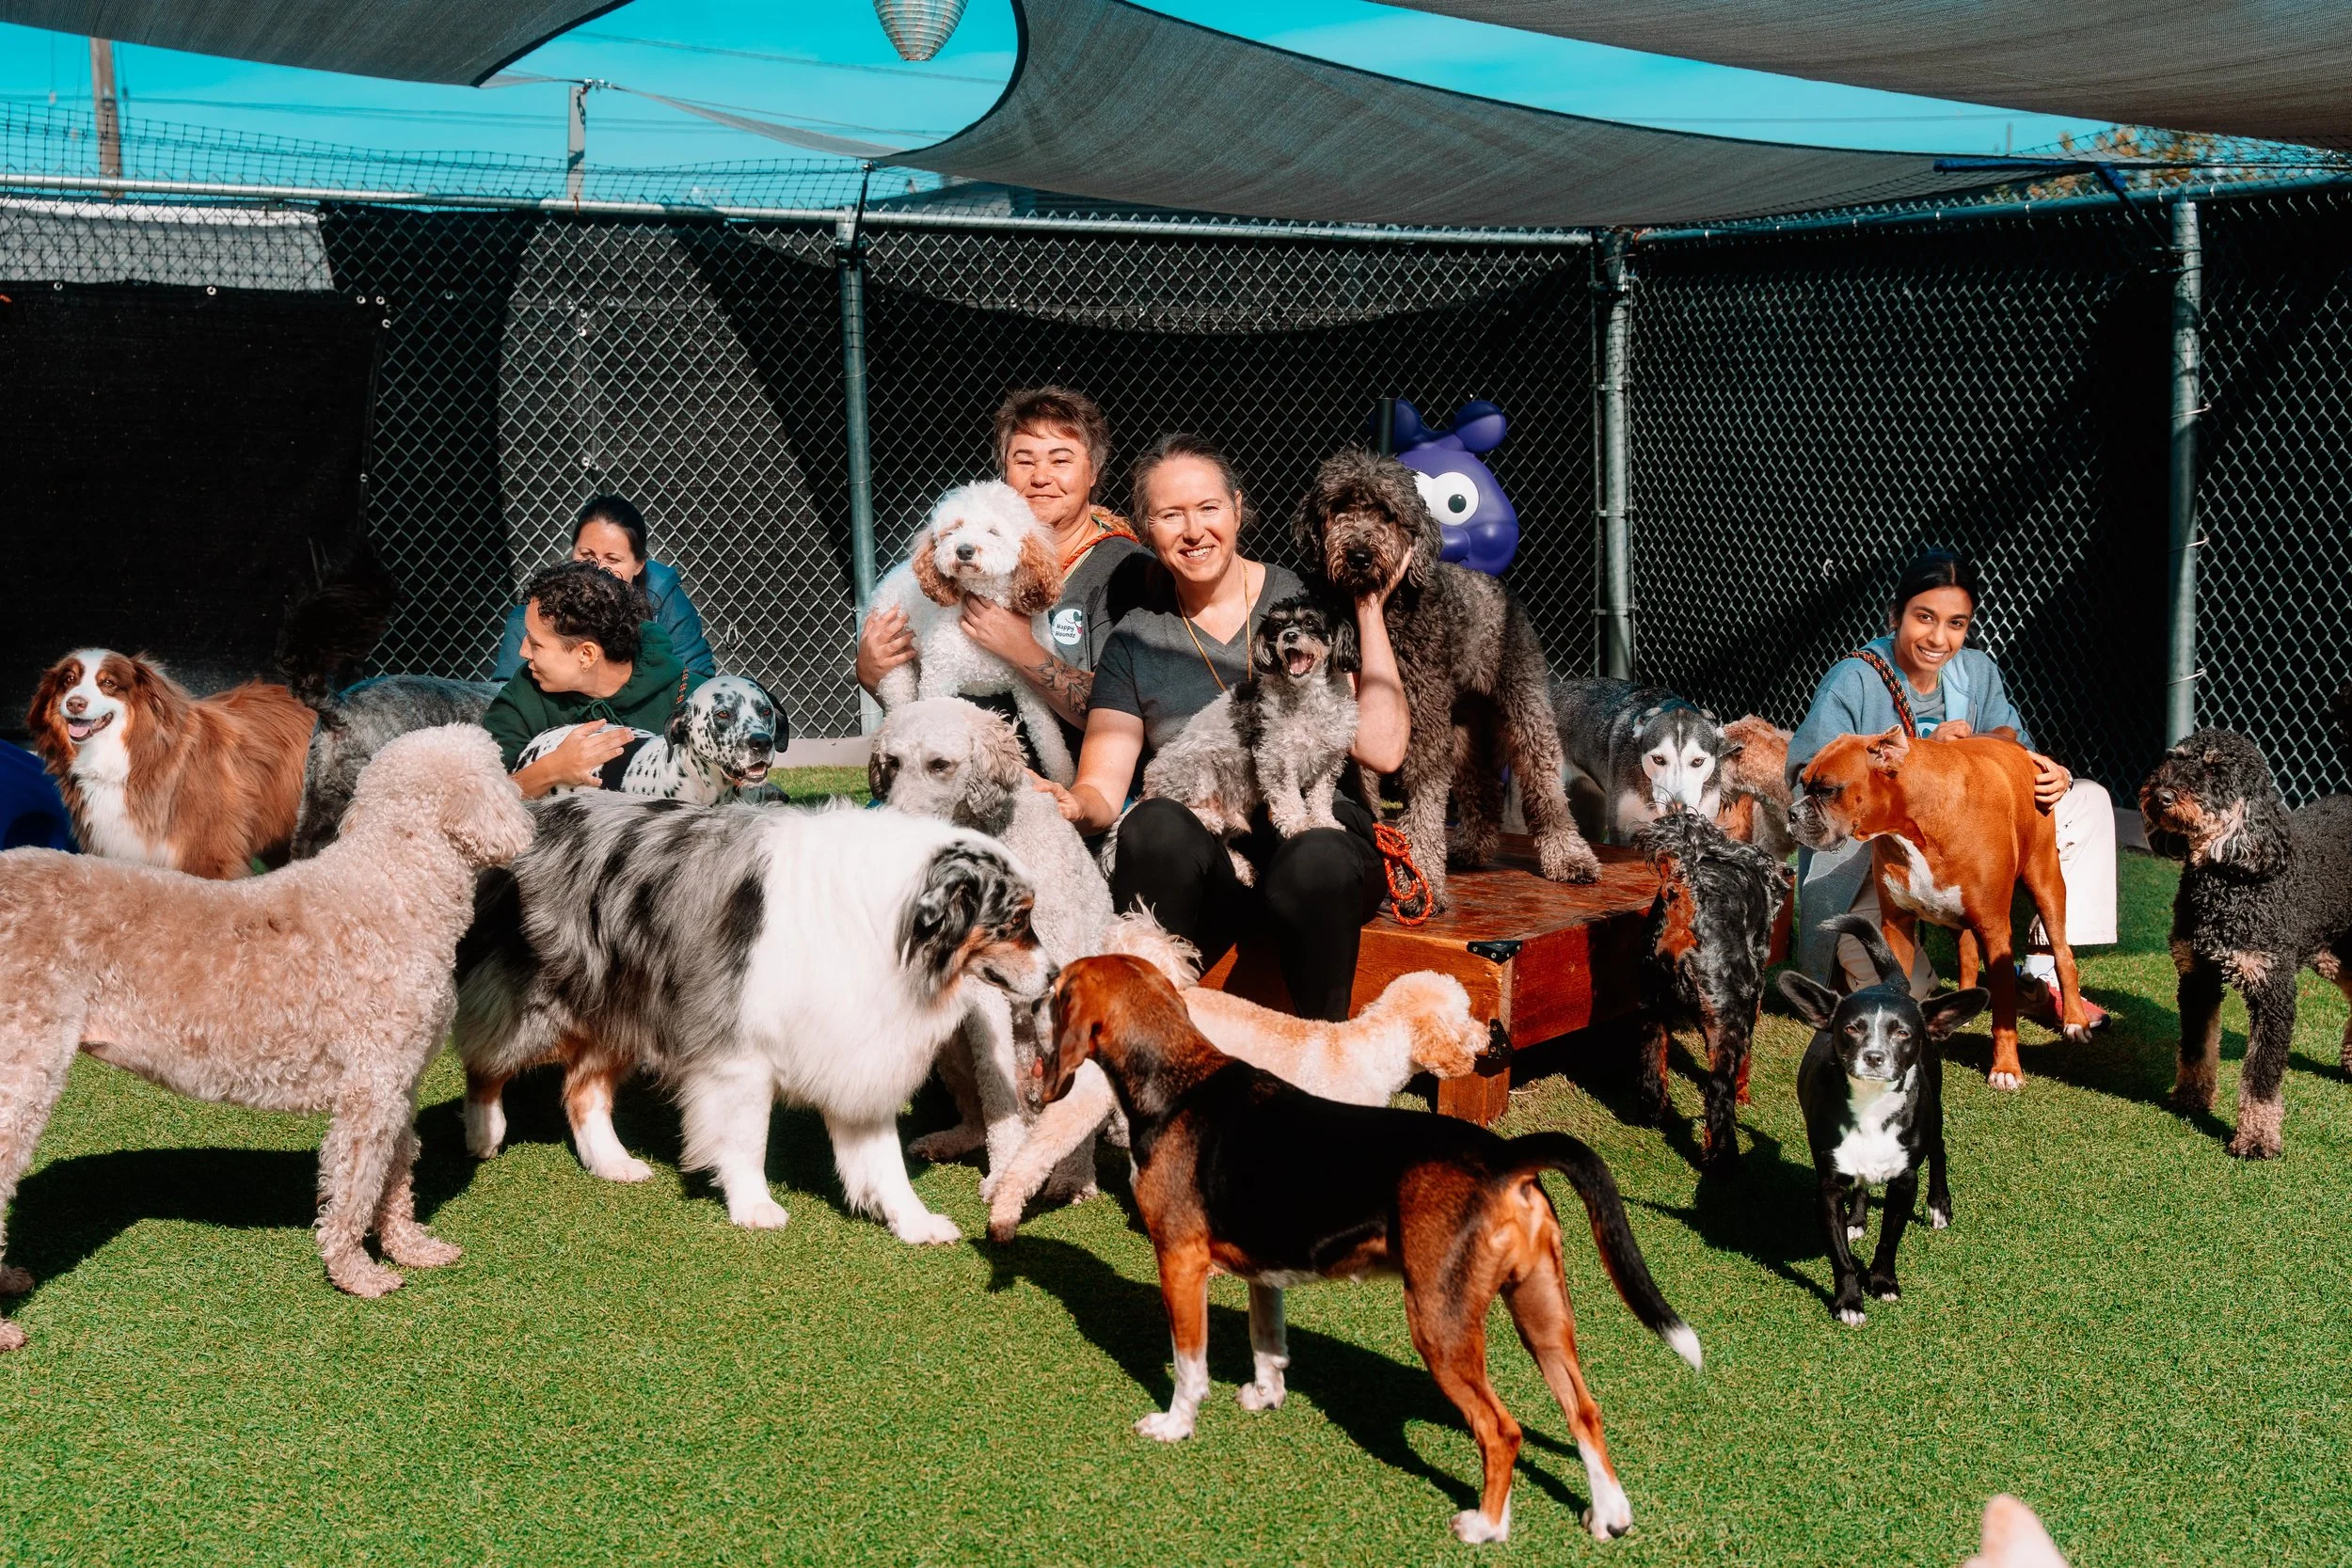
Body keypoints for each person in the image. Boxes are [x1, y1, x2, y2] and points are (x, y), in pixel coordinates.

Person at [1035, 434, 1411, 1022]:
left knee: (1315, 856)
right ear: (1145, 529)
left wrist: (1366, 608)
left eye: (1208, 508)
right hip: (1215, 853)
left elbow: (1384, 751)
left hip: (1320, 841)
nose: (1193, 530)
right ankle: (1144, 1051)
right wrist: (1070, 805)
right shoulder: (1136, 637)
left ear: (1237, 508)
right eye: (1169, 515)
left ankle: (1326, 1072)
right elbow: (1104, 787)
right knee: (1154, 823)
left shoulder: (1303, 602)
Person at [1787, 548, 2114, 1024]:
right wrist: (1922, 754)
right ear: (1896, 614)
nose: (1939, 638)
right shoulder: (1853, 678)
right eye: (1924, 618)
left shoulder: (1978, 672)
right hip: (1873, 853)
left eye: (1956, 623)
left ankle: (2037, 976)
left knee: (2087, 799)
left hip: (1964, 847)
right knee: (1910, 1004)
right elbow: (1804, 775)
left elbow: (2015, 748)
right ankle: (1852, 965)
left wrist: (2051, 773)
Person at [854, 386, 1149, 754]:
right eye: (1024, 461)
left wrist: (1023, 649)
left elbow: (1129, 711)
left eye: (1061, 461)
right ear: (1004, 471)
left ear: (1093, 471)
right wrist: (873, 674)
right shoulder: (965, 562)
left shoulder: (1126, 570)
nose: (1041, 477)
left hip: (1083, 784)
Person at [483, 560, 687, 800]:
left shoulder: (690, 698)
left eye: (535, 643)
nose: (523, 651)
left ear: (586, 654)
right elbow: (481, 801)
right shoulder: (523, 696)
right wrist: (552, 769)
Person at [494, 495, 716, 684]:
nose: (596, 568)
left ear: (639, 564)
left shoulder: (662, 597)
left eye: (613, 559)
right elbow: (506, 689)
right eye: (586, 555)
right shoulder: (539, 604)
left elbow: (696, 678)